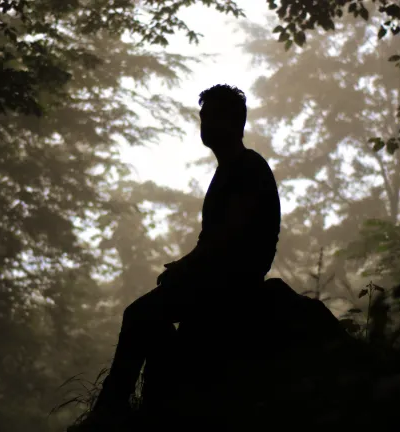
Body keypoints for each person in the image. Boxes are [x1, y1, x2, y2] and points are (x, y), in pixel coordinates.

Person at [83, 84, 281, 426]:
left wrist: (188, 266)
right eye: (203, 118)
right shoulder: (229, 169)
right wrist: (187, 264)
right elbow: (216, 237)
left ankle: (110, 409)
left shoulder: (248, 167)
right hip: (219, 275)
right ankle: (155, 403)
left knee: (139, 315)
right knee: (154, 324)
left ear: (234, 123)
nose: (204, 125)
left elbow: (231, 234)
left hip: (232, 280)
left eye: (212, 117)